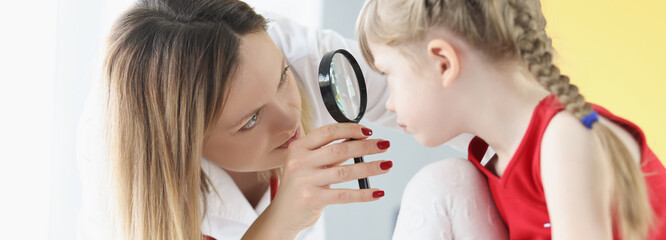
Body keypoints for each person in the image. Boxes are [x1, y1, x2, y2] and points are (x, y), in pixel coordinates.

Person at [75, 0, 424, 239]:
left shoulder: (298, 55)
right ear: (186, 144)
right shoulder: (120, 168)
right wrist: (278, 226)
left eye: (283, 77)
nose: (291, 118)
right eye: (251, 120)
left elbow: (439, 89)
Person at [356, 0, 666, 239]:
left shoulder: (566, 137)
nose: (390, 101)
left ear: (443, 62)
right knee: (447, 178)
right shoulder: (491, 157)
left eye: (388, 74)